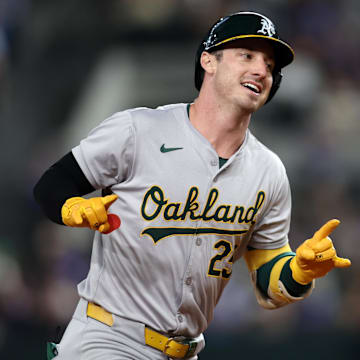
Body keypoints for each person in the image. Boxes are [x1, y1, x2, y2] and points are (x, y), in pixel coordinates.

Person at [34, 11, 351, 360]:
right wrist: (71, 207)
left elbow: (268, 286)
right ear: (208, 61)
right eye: (247, 55)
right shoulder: (138, 130)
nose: (262, 70)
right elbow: (52, 185)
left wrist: (300, 271)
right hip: (109, 338)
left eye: (270, 63)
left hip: (185, 351)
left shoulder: (268, 170)